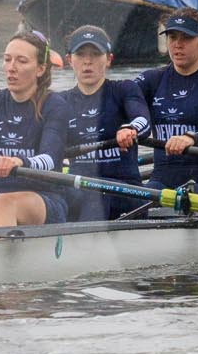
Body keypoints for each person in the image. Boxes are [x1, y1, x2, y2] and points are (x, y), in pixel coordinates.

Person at [41, 25, 149, 220]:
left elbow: (142, 120)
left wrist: (130, 128)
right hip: (78, 188)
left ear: (108, 59)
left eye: (95, 54)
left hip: (125, 191)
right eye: (80, 54)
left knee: (93, 197)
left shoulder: (124, 90)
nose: (87, 61)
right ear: (69, 60)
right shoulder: (59, 101)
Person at [137, 7, 198, 195]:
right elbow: (122, 105)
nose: (177, 45)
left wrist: (190, 138)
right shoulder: (151, 80)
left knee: (187, 199)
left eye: (186, 38)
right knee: (139, 199)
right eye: (172, 37)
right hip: (161, 179)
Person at [0, 31, 65, 229]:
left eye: (21, 61)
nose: (11, 68)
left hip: (45, 197)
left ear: (40, 69)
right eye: (7, 59)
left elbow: (50, 159)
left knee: (5, 203)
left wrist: (19, 161)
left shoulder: (55, 105)